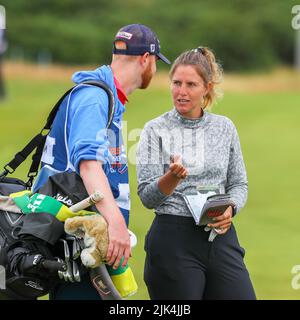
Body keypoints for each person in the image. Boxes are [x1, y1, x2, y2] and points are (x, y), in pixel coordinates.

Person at [32, 23, 170, 300]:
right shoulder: (95, 98)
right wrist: (117, 224)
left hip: (88, 242)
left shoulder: (107, 98)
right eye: (155, 62)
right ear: (146, 60)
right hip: (77, 242)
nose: (155, 69)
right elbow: (88, 165)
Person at [136, 47, 256, 300]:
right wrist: (172, 178)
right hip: (172, 240)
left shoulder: (224, 127)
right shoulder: (154, 129)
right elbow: (147, 198)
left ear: (207, 88)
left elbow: (239, 184)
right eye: (176, 83)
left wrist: (231, 208)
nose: (181, 91)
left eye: (191, 84)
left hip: (219, 236)